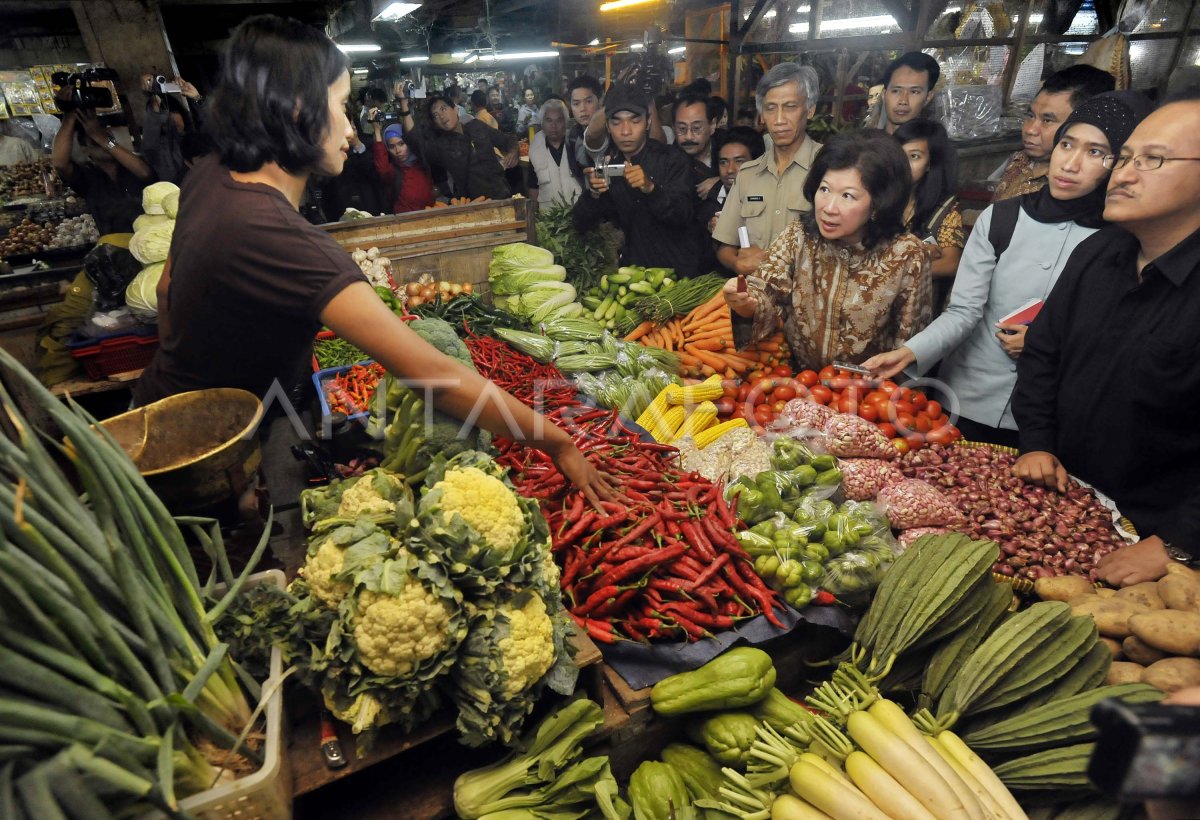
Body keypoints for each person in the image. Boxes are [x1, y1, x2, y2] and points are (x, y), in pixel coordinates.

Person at [134, 15, 613, 506]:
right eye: (341, 106)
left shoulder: (212, 174)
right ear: (299, 107)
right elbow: (433, 377)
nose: (350, 125)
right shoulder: (278, 236)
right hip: (195, 465)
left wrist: (197, 380)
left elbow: (169, 291)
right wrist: (556, 439)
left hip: (167, 419)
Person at [865, 92, 1152, 449]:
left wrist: (1045, 344)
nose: (1071, 163)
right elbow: (965, 310)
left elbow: (1117, 337)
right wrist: (911, 352)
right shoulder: (1003, 218)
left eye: (1095, 152)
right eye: (1066, 144)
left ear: (1120, 162)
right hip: (966, 398)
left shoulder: (1124, 240)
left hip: (1051, 418)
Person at [1013, 91, 1200, 585]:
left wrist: (1180, 542)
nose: (1124, 173)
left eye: (1153, 159)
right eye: (1125, 157)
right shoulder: (1097, 253)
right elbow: (1042, 357)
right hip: (1059, 506)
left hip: (1152, 549)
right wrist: (1036, 443)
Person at [723, 129, 932, 370]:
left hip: (867, 396)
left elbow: (910, 347)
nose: (829, 208)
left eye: (847, 196)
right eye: (824, 189)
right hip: (799, 384)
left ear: (879, 202)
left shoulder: (907, 255)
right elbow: (766, 292)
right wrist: (745, 303)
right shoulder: (799, 235)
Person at [572, 84, 701, 277]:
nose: (625, 131)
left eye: (634, 121)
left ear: (648, 122)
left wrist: (651, 189)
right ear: (607, 126)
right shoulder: (611, 169)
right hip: (636, 277)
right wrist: (593, 194)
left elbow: (683, 215)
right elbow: (580, 223)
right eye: (616, 122)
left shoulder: (673, 159)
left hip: (679, 274)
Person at [713, 63, 823, 278]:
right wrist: (737, 264)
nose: (779, 120)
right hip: (757, 303)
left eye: (790, 106)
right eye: (770, 108)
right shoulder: (748, 174)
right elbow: (724, 246)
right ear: (762, 115)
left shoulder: (830, 167)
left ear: (810, 110)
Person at [991, 64, 1115, 201]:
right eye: (1030, 116)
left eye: (1047, 120)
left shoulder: (1070, 185)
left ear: (1083, 125)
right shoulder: (1019, 160)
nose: (1030, 130)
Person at [395, 87, 518, 201]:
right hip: (473, 205)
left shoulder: (477, 126)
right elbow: (414, 139)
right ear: (435, 123)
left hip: (502, 196)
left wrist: (513, 152)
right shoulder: (440, 146)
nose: (441, 116)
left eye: (443, 109)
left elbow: (507, 140)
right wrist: (404, 108)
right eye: (435, 115)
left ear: (455, 109)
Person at [51, 108, 154, 236]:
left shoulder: (129, 164)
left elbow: (145, 172)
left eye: (110, 141)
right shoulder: (87, 176)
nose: (104, 146)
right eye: (95, 142)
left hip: (149, 235)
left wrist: (103, 139)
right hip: (115, 244)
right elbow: (59, 163)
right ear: (85, 150)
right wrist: (69, 115)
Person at [894, 119, 964, 301]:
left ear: (930, 164)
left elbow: (951, 262)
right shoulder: (876, 197)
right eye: (899, 155)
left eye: (914, 156)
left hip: (917, 301)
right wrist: (920, 252)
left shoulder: (944, 207)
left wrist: (902, 277)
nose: (903, 164)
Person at [701, 126, 765, 235]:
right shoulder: (710, 197)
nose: (730, 169)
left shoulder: (770, 195)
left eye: (739, 161)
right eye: (724, 162)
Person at [140, 75, 204, 185]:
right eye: (165, 115)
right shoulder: (155, 149)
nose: (172, 118)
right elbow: (151, 132)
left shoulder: (195, 137)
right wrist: (153, 97)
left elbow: (215, 126)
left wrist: (197, 98)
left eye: (174, 112)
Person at [322, 124, 387, 217]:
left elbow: (377, 174)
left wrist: (357, 145)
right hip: (342, 210)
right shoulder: (329, 148)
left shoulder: (367, 143)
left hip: (371, 207)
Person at [370, 122, 434, 213]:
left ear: (409, 142)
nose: (397, 151)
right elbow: (382, 168)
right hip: (405, 222)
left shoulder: (423, 163)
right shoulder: (394, 171)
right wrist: (377, 131)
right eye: (392, 146)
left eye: (401, 144)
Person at [528, 99, 581, 209]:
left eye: (559, 120)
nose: (554, 126)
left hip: (578, 213)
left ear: (566, 122)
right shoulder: (535, 149)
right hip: (549, 218)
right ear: (542, 122)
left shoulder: (576, 145)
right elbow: (533, 187)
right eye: (549, 120)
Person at [873, 52, 941, 134]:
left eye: (914, 92)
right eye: (896, 91)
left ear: (928, 97)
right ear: (884, 94)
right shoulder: (866, 144)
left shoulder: (934, 145)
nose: (903, 101)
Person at [673, 92, 720, 199]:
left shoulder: (727, 144)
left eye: (696, 128)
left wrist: (721, 182)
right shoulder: (670, 161)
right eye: (681, 129)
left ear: (712, 125)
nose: (688, 137)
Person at [565, 75, 604, 179]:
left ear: (600, 101)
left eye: (588, 101)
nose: (582, 109)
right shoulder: (572, 137)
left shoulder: (613, 131)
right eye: (576, 104)